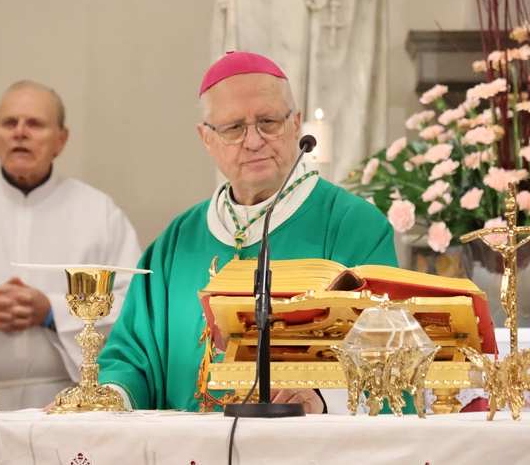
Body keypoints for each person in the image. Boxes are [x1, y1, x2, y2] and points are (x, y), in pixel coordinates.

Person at [97, 52, 398, 413]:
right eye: (233, 128)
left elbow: (389, 358)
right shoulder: (176, 242)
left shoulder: (354, 226)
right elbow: (131, 359)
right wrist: (108, 397)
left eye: (268, 122)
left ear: (296, 124)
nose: (253, 141)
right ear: (207, 139)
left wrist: (321, 400)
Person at [0, 80, 141, 413]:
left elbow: (133, 305)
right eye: (9, 123)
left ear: (61, 139)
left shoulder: (99, 213)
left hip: (66, 405)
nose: (20, 133)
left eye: (35, 124)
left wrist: (52, 311)